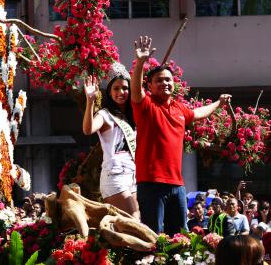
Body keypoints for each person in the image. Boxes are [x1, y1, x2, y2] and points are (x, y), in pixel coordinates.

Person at [130, 35, 231, 234]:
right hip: (151, 183)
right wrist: (141, 62)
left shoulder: (179, 109)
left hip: (177, 184)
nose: (164, 83)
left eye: (168, 79)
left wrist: (219, 103)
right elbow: (134, 89)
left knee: (180, 236)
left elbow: (199, 113)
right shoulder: (146, 106)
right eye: (158, 80)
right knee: (154, 236)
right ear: (149, 86)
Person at [82, 63, 139, 219]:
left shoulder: (132, 117)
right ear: (109, 91)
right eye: (116, 88)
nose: (121, 92)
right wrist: (90, 101)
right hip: (115, 175)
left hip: (133, 175)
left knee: (129, 225)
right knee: (135, 219)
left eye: (125, 88)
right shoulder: (105, 114)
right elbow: (88, 129)